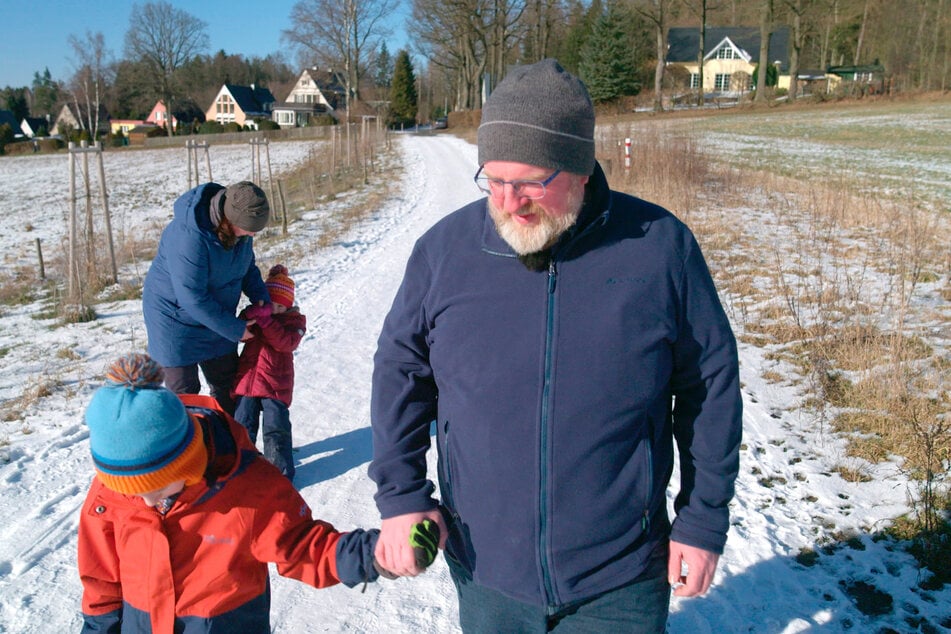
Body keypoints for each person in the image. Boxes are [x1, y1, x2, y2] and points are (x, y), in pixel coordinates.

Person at [369, 58, 742, 632]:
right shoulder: (444, 253)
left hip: (620, 576)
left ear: (581, 168)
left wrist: (702, 520)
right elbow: (401, 372)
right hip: (487, 568)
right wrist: (400, 495)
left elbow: (709, 387)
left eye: (530, 182)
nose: (508, 201)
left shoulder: (660, 248)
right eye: (493, 180)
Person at [78, 353, 438, 633]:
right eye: (127, 490)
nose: (143, 502)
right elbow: (101, 579)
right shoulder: (111, 491)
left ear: (186, 463)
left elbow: (304, 546)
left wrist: (375, 554)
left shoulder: (247, 488)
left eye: (154, 488)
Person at [142, 180, 272, 415]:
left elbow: (246, 266)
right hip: (174, 319)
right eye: (250, 228)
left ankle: (229, 445)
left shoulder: (240, 230)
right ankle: (193, 449)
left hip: (215, 315)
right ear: (229, 220)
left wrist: (261, 297)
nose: (253, 234)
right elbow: (192, 297)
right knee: (186, 395)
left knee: (229, 386)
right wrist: (235, 329)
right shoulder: (188, 237)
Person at [232, 264, 306, 481]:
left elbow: (285, 343)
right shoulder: (261, 315)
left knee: (276, 428)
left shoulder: (295, 322)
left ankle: (280, 474)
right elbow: (238, 330)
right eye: (269, 303)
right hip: (249, 381)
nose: (273, 309)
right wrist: (249, 314)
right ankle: (241, 470)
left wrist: (266, 321)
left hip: (275, 385)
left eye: (278, 306)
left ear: (287, 306)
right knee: (242, 425)